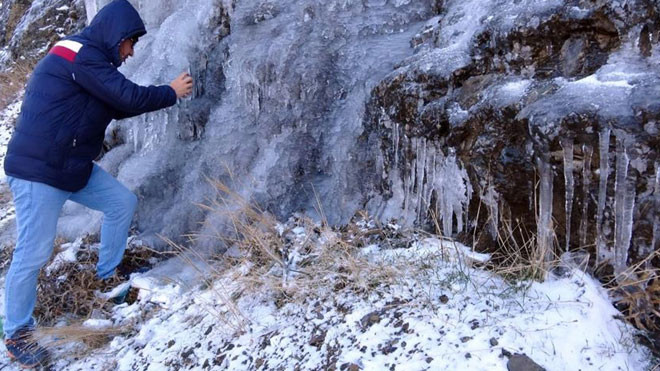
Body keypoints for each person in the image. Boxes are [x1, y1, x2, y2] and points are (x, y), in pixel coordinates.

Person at [2, 0, 193, 367]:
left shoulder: (91, 64)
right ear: (116, 35)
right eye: (131, 43)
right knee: (33, 252)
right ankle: (17, 333)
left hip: (70, 166)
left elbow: (118, 105)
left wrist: (158, 96)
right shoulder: (79, 54)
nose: (132, 52)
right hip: (38, 170)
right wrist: (171, 91)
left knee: (121, 202)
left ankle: (108, 274)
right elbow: (127, 96)